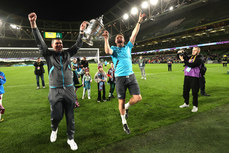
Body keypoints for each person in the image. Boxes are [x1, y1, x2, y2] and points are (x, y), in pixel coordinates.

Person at [28, 12, 88, 151]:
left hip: (69, 90)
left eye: (60, 43)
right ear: (52, 46)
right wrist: (33, 24)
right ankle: (54, 129)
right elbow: (39, 41)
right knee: (56, 115)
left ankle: (70, 138)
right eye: (56, 43)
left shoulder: (68, 54)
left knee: (70, 116)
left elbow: (78, 45)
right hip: (55, 91)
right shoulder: (48, 55)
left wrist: (81, 32)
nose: (59, 45)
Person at [102, 12, 145, 134]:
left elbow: (134, 34)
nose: (119, 38)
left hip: (131, 76)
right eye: (117, 37)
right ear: (115, 41)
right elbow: (107, 50)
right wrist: (105, 39)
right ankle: (124, 123)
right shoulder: (114, 49)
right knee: (120, 101)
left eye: (120, 37)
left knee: (138, 98)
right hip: (120, 78)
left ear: (124, 39)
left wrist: (139, 21)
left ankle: (126, 107)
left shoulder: (128, 47)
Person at [178, 47, 203, 113]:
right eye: (193, 50)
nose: (193, 51)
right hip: (187, 76)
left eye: (195, 50)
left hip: (194, 77)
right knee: (185, 91)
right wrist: (181, 52)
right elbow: (182, 57)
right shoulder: (191, 57)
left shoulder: (199, 58)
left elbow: (192, 65)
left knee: (194, 92)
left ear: (198, 51)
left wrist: (183, 61)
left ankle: (195, 106)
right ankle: (186, 103)